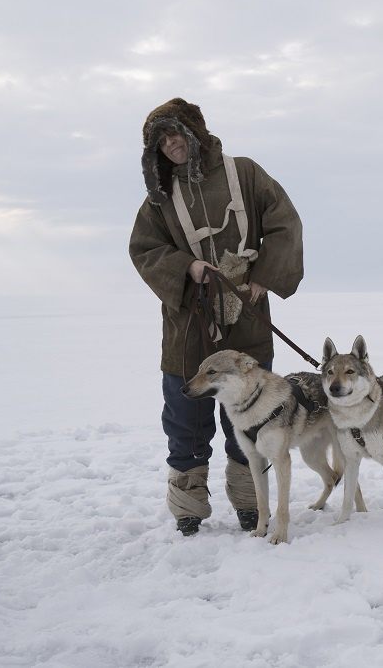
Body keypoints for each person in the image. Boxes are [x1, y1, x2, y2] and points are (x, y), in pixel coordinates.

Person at [129, 98, 305, 536]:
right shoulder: (157, 199)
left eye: (177, 135)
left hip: (246, 308)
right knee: (185, 413)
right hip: (187, 319)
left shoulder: (244, 172)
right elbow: (144, 249)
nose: (171, 145)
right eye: (162, 142)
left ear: (195, 136)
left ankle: (251, 502)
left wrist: (263, 277)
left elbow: (285, 223)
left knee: (254, 411)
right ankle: (188, 504)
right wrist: (184, 267)